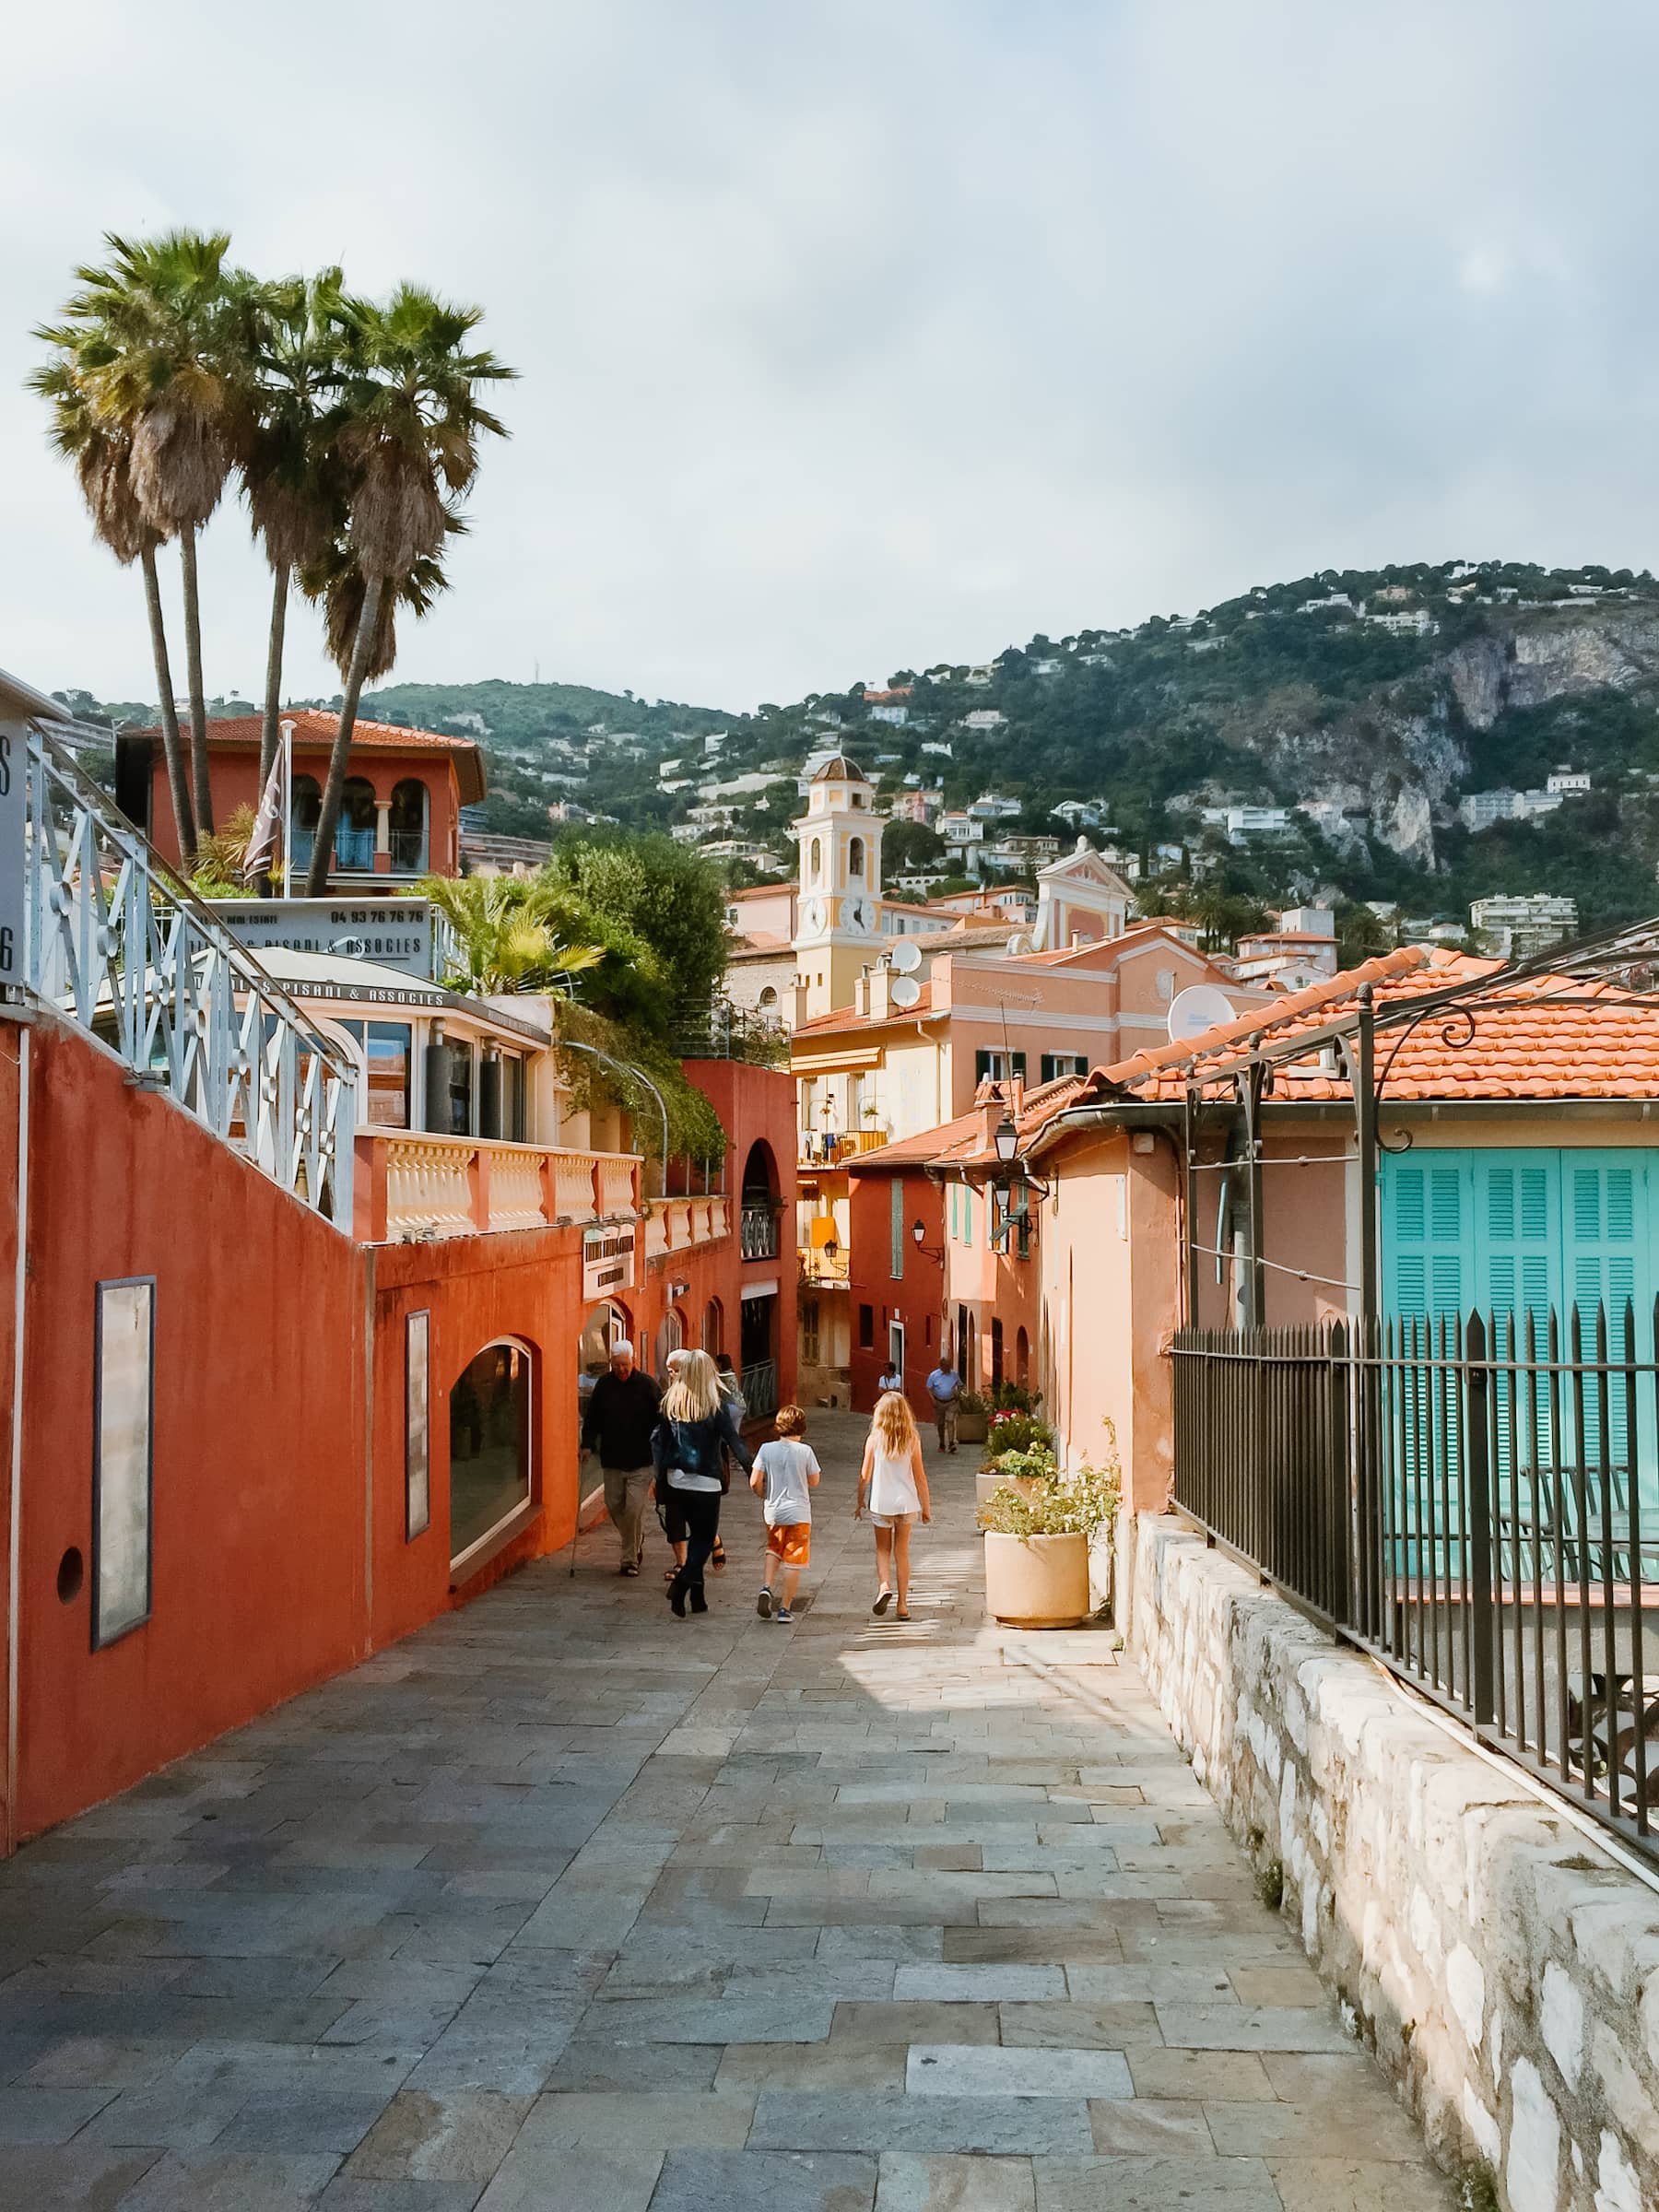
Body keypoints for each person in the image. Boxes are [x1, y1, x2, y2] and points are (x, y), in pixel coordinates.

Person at [653, 1349, 752, 1618]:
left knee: (695, 1537)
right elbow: (734, 1440)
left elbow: (660, 1443)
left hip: (676, 1479)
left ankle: (698, 1599)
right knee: (704, 1540)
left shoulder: (670, 1402)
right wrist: (752, 1469)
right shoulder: (714, 1404)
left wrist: (659, 1478)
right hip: (706, 1482)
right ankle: (682, 1585)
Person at [580, 1338, 661, 1577]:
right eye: (616, 1365)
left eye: (625, 1365)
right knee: (614, 1505)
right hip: (612, 1459)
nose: (621, 1370)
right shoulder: (604, 1385)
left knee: (634, 1509)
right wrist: (586, 1445)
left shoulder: (647, 1386)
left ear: (633, 1361)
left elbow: (662, 1418)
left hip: (642, 1460)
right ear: (611, 1364)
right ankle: (636, 1537)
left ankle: (629, 1560)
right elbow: (592, 1418)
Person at [854, 1390, 932, 1622]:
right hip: (907, 1502)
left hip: (881, 1502)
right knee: (902, 1553)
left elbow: (864, 1475)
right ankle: (902, 1604)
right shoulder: (913, 1439)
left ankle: (884, 1586)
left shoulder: (874, 1439)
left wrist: (859, 1501)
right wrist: (926, 1507)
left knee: (882, 1550)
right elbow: (920, 1477)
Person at [750, 1405, 819, 1623]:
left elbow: (754, 1481)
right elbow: (814, 1480)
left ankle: (767, 1587)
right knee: (793, 1560)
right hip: (799, 1512)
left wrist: (764, 1494)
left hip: (774, 1511)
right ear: (802, 1427)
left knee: (773, 1549)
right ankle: (785, 1608)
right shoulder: (805, 1451)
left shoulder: (766, 1449)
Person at [925, 1355, 963, 1453]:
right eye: (947, 1366)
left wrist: (958, 1393)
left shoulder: (954, 1374)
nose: (949, 1368)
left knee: (950, 1421)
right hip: (939, 1402)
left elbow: (960, 1385)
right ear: (941, 1366)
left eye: (949, 1365)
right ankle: (942, 1443)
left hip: (951, 1401)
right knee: (941, 1424)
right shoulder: (934, 1375)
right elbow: (929, 1388)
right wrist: (932, 1399)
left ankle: (951, 1443)